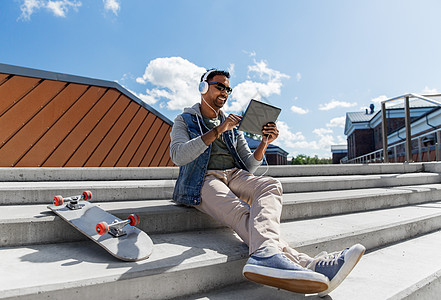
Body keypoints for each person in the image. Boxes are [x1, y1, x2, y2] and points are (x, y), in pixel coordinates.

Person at [169, 68, 365, 296]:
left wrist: (264, 142)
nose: (225, 92)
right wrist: (218, 130)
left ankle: (267, 256)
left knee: (271, 185)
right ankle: (309, 264)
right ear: (204, 87)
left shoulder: (233, 127)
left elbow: (250, 166)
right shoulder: (185, 120)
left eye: (228, 88)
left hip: (234, 175)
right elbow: (178, 155)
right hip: (203, 179)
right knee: (244, 213)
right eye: (219, 86)